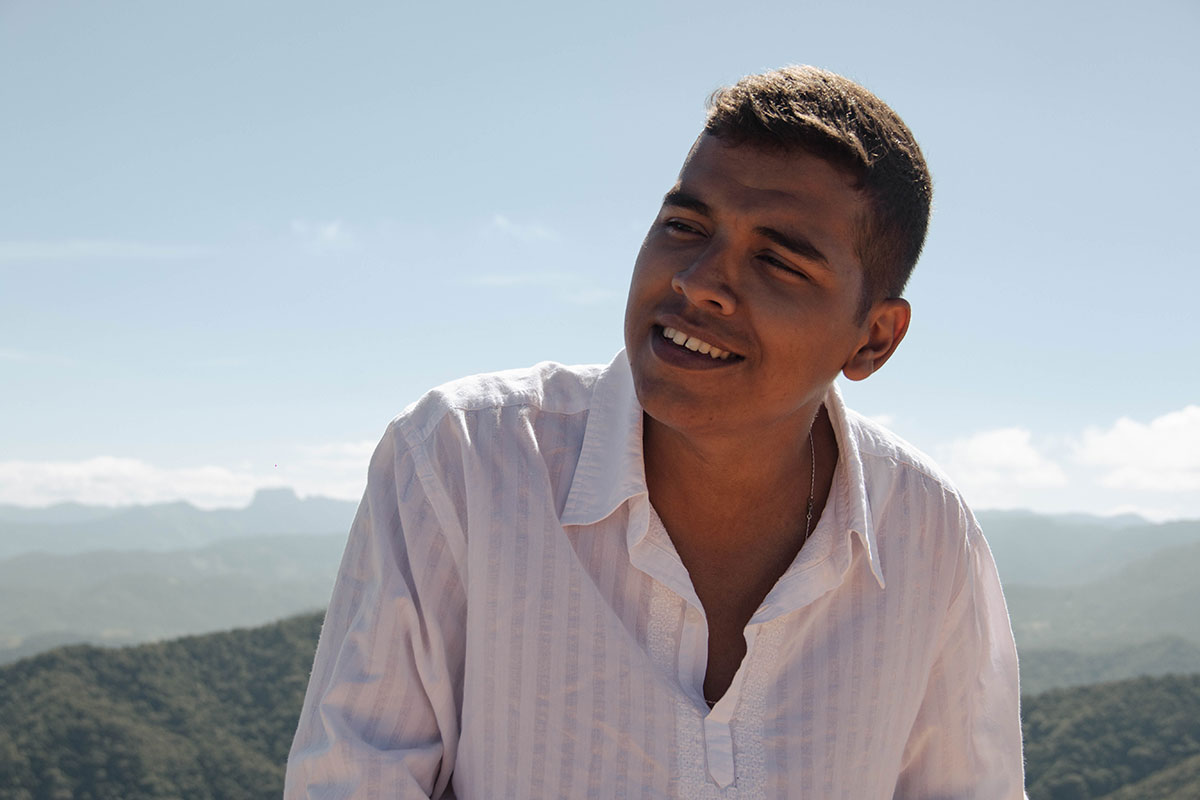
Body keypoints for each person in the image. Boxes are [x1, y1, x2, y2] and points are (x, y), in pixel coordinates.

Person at [285, 65, 1026, 798]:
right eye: (684, 227)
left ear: (874, 339)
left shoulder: (928, 533)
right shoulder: (464, 461)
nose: (698, 280)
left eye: (777, 261)